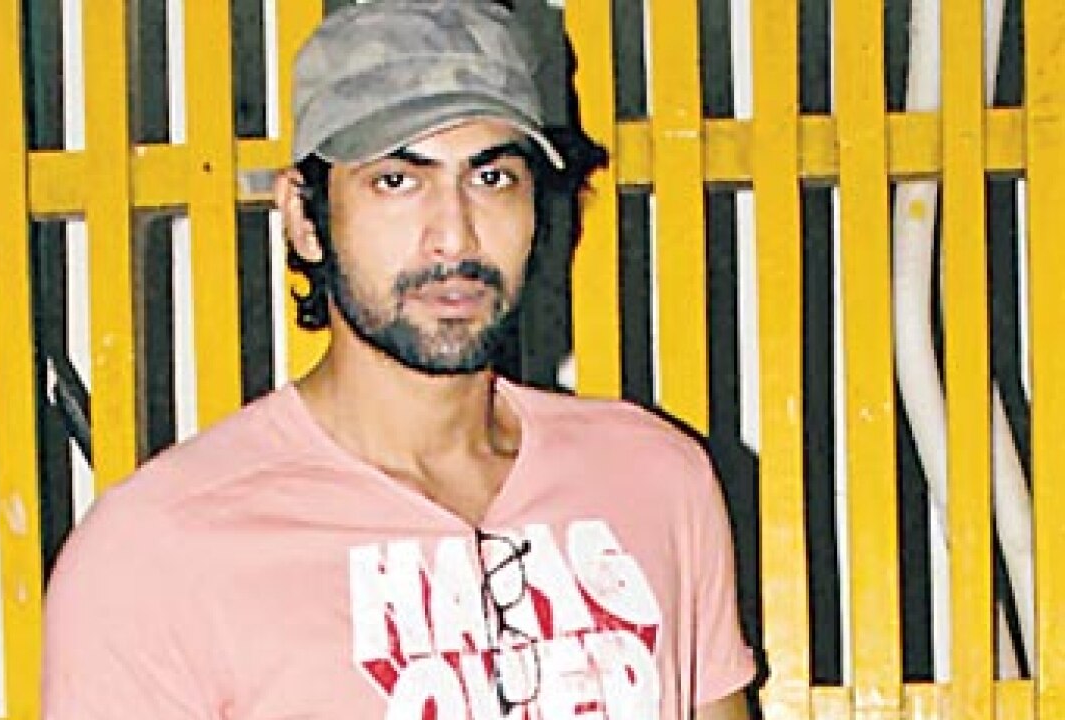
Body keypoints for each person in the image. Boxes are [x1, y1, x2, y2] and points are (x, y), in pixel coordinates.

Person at [42, 1, 758, 718]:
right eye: (397, 180)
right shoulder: (160, 551)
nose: (454, 236)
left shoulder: (653, 478)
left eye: (491, 178)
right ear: (304, 216)